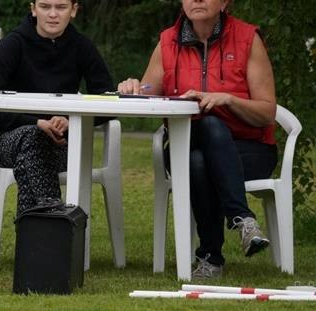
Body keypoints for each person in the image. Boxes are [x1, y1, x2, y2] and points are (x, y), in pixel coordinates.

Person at [118, 0, 277, 280]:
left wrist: (227, 100)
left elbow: (267, 113)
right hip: (184, 143)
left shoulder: (247, 38)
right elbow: (145, 94)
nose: (198, 0)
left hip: (248, 151)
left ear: (225, 1)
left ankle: (210, 258)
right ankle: (242, 220)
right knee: (204, 137)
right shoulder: (167, 41)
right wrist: (132, 87)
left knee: (202, 154)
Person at [0, 0, 113, 215]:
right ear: (33, 9)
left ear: (73, 10)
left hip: (62, 146)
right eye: (45, 6)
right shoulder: (13, 44)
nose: (52, 14)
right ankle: (51, 220)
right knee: (33, 137)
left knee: (30, 156)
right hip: (10, 142)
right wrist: (36, 123)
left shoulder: (81, 46)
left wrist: (70, 118)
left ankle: (36, 236)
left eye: (60, 7)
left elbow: (106, 100)